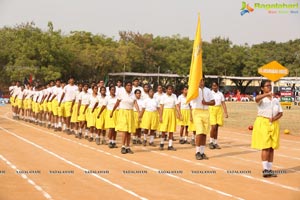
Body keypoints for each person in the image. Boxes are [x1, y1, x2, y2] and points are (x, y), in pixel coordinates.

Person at [251, 80, 283, 178]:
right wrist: (266, 94)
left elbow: (281, 113)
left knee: (271, 147)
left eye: (270, 85)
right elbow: (256, 99)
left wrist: (274, 118)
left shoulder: (275, 100)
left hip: (274, 123)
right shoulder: (261, 99)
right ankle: (265, 169)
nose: (269, 87)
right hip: (263, 123)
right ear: (262, 88)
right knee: (265, 146)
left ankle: (269, 169)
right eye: (267, 86)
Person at [111, 81, 140, 154]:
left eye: (130, 85)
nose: (129, 87)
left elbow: (135, 103)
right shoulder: (121, 94)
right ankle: (123, 146)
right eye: (128, 85)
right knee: (124, 130)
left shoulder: (133, 95)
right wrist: (112, 111)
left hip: (130, 112)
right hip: (123, 112)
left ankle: (128, 146)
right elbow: (117, 103)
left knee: (129, 131)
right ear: (125, 87)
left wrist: (139, 112)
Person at [190, 77, 215, 160]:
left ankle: (202, 152)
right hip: (197, 112)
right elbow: (189, 98)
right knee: (199, 132)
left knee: (204, 133)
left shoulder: (208, 90)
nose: (202, 82)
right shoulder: (194, 90)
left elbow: (213, 102)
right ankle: (197, 152)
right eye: (200, 80)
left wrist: (206, 103)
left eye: (203, 80)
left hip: (206, 112)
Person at [159, 85, 181, 151]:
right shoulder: (163, 97)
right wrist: (160, 116)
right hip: (165, 112)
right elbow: (161, 107)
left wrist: (179, 113)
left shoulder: (174, 96)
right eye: (169, 89)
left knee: (171, 129)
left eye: (171, 89)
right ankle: (162, 143)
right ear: (166, 90)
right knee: (164, 129)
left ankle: (170, 145)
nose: (170, 90)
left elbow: (176, 105)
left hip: (172, 112)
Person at [209, 82, 228, 149]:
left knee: (216, 127)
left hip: (219, 109)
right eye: (213, 86)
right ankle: (211, 142)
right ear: (212, 87)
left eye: (216, 86)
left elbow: (223, 103)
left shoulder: (220, 94)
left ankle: (215, 142)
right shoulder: (210, 93)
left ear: (217, 86)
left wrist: (226, 112)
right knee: (213, 126)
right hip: (212, 109)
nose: (214, 87)